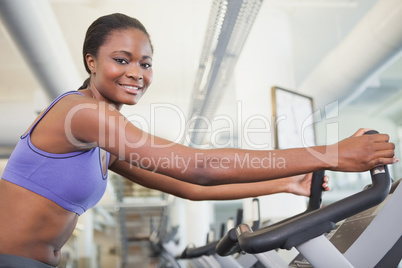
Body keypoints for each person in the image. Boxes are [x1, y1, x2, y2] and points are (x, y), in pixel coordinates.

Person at [0, 13, 396, 267]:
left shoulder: (102, 141)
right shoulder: (81, 114)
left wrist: (286, 182)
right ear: (91, 61)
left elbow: (188, 188)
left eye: (146, 63)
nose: (136, 72)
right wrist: (330, 154)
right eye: (121, 60)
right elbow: (199, 166)